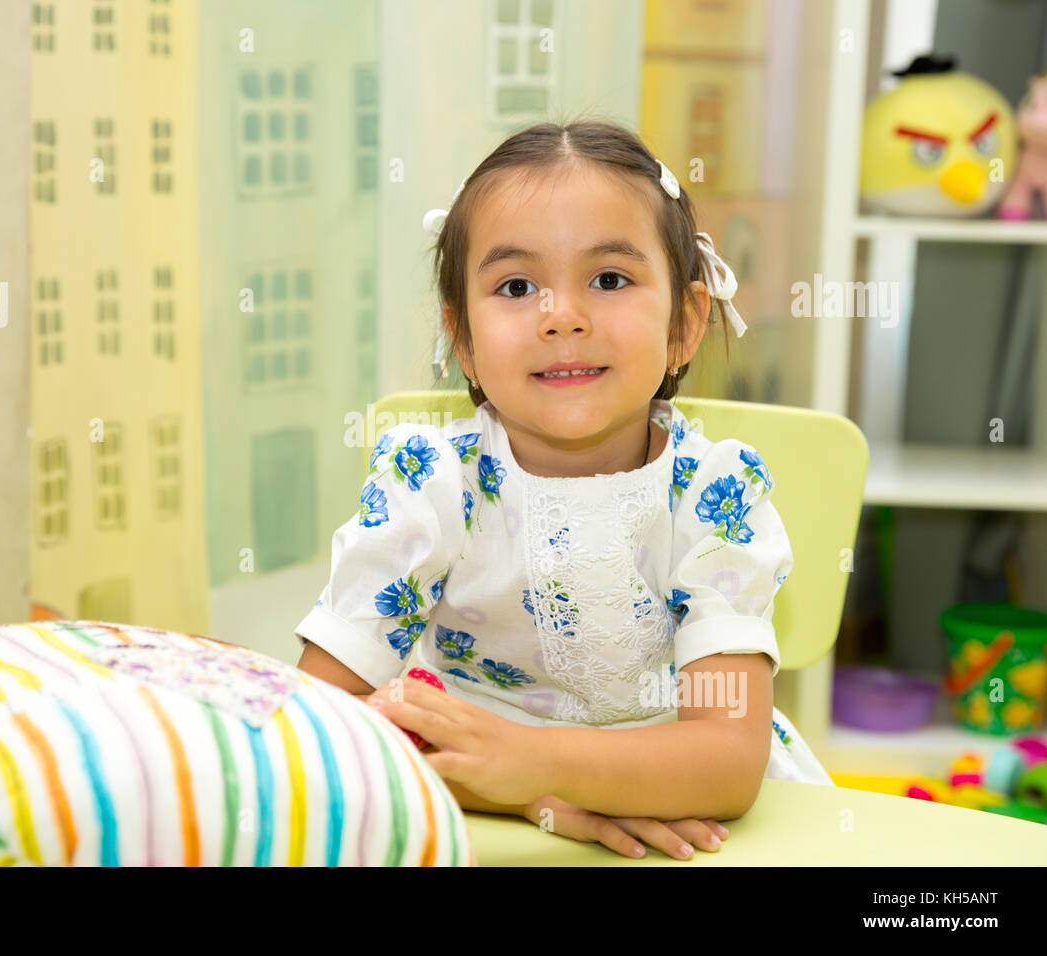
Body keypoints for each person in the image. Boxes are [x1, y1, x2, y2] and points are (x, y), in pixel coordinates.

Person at [295, 120, 834, 862]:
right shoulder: (428, 482)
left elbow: (727, 761)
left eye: (609, 280)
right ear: (465, 343)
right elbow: (320, 722)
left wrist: (543, 769)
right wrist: (520, 792)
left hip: (698, 827)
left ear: (685, 324)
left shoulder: (717, 494)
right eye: (517, 287)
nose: (563, 316)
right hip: (473, 812)